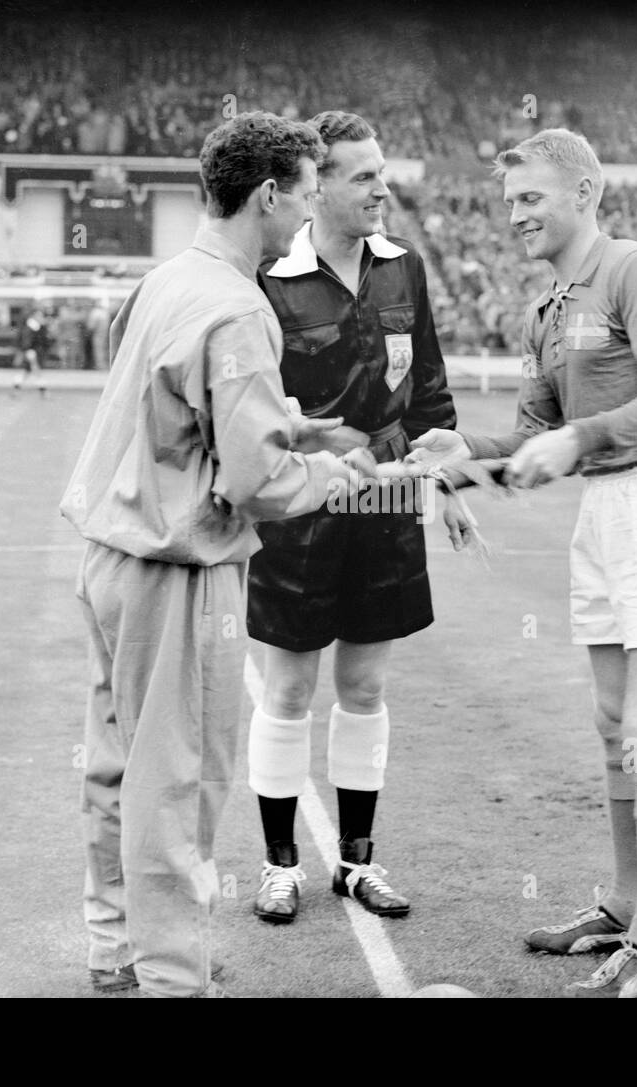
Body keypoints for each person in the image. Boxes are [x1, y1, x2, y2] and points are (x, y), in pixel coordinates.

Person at [410, 129, 637, 998]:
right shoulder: (545, 307)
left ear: (585, 192)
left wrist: (580, 439)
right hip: (607, 514)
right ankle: (628, 907)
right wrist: (464, 454)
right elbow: (529, 440)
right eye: (510, 199)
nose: (514, 213)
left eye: (531, 198)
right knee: (611, 722)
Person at [59, 111, 380, 999]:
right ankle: (172, 977)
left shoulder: (169, 278)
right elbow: (258, 482)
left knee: (115, 769)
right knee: (177, 781)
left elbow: (171, 414)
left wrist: (288, 427)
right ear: (270, 195)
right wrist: (338, 469)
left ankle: (119, 950)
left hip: (108, 555)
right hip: (175, 572)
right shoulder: (240, 304)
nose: (311, 212)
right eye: (308, 194)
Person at [244, 111, 459, 925]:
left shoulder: (404, 269)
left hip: (389, 505)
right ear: (319, 184)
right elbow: (257, 408)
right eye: (363, 175)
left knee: (365, 685)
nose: (382, 187)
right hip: (300, 510)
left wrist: (448, 486)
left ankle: (358, 864)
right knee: (291, 687)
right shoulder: (268, 278)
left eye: (383, 172)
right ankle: (277, 866)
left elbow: (429, 386)